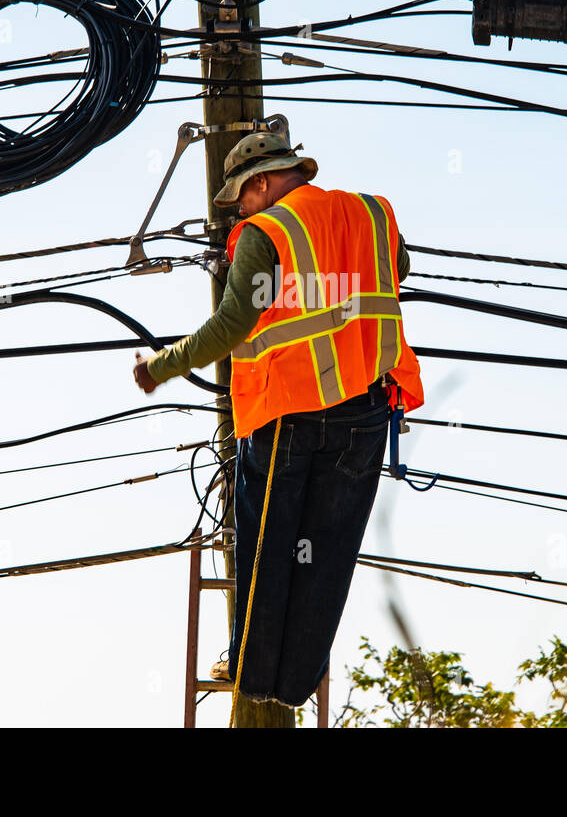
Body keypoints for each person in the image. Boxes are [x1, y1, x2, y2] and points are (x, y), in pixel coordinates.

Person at [132, 128, 424, 709]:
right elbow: (401, 270)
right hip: (364, 411)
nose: (238, 211)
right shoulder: (373, 213)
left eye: (240, 197)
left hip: (286, 413)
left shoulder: (266, 232)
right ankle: (295, 686)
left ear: (262, 182)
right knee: (329, 552)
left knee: (268, 551)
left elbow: (231, 326)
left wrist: (159, 365)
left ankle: (253, 676)